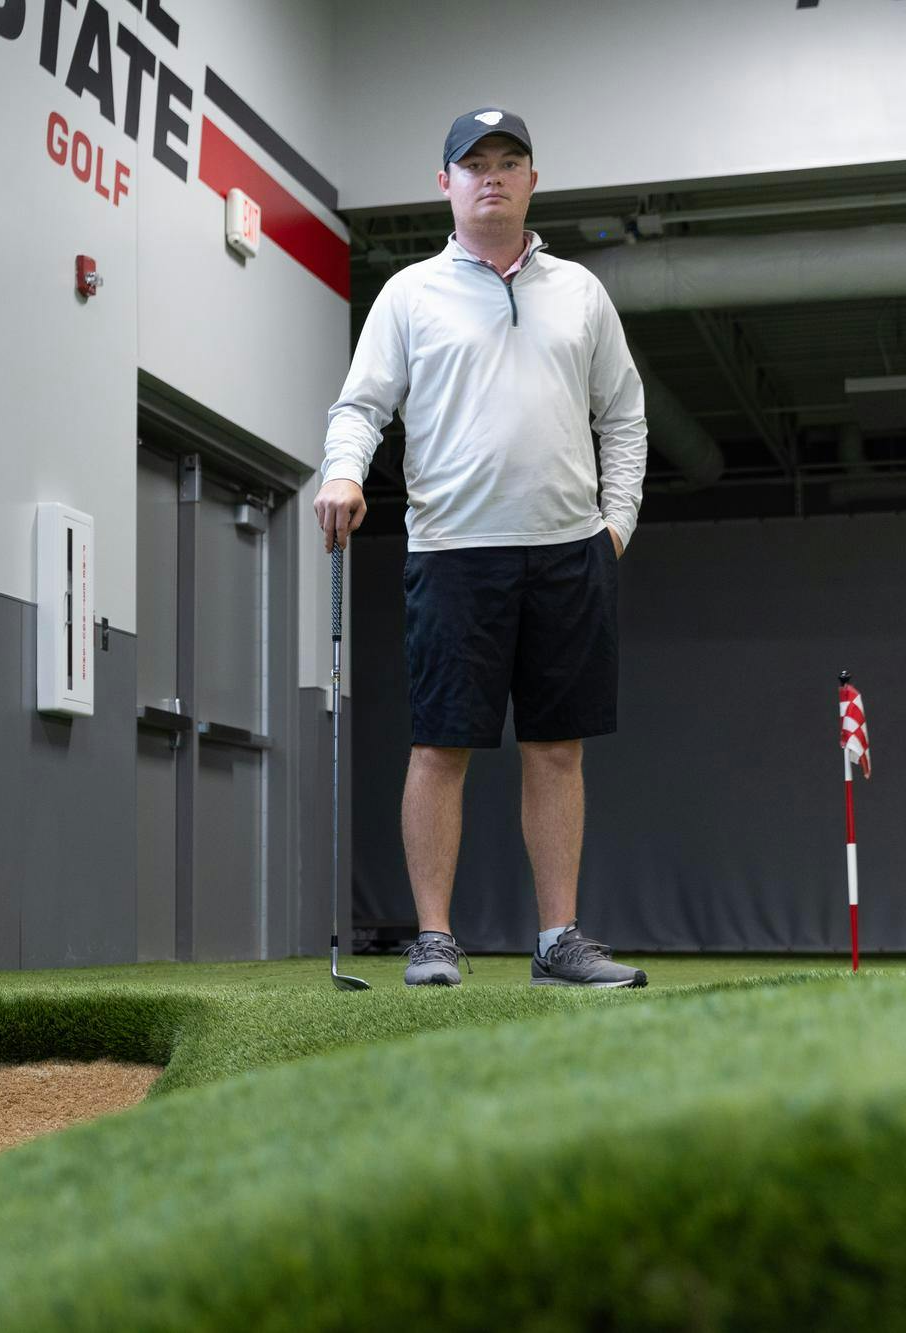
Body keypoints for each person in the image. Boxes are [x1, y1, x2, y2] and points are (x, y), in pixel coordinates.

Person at [313, 108, 650, 990]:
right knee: (440, 746)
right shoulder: (410, 293)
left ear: (533, 179)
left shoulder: (580, 291)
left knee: (557, 747)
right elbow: (360, 408)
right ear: (447, 185)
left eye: (510, 162)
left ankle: (558, 939)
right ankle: (434, 937)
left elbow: (624, 414)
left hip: (570, 551)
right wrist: (345, 472)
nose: (492, 176)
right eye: (474, 164)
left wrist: (616, 523)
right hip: (454, 552)